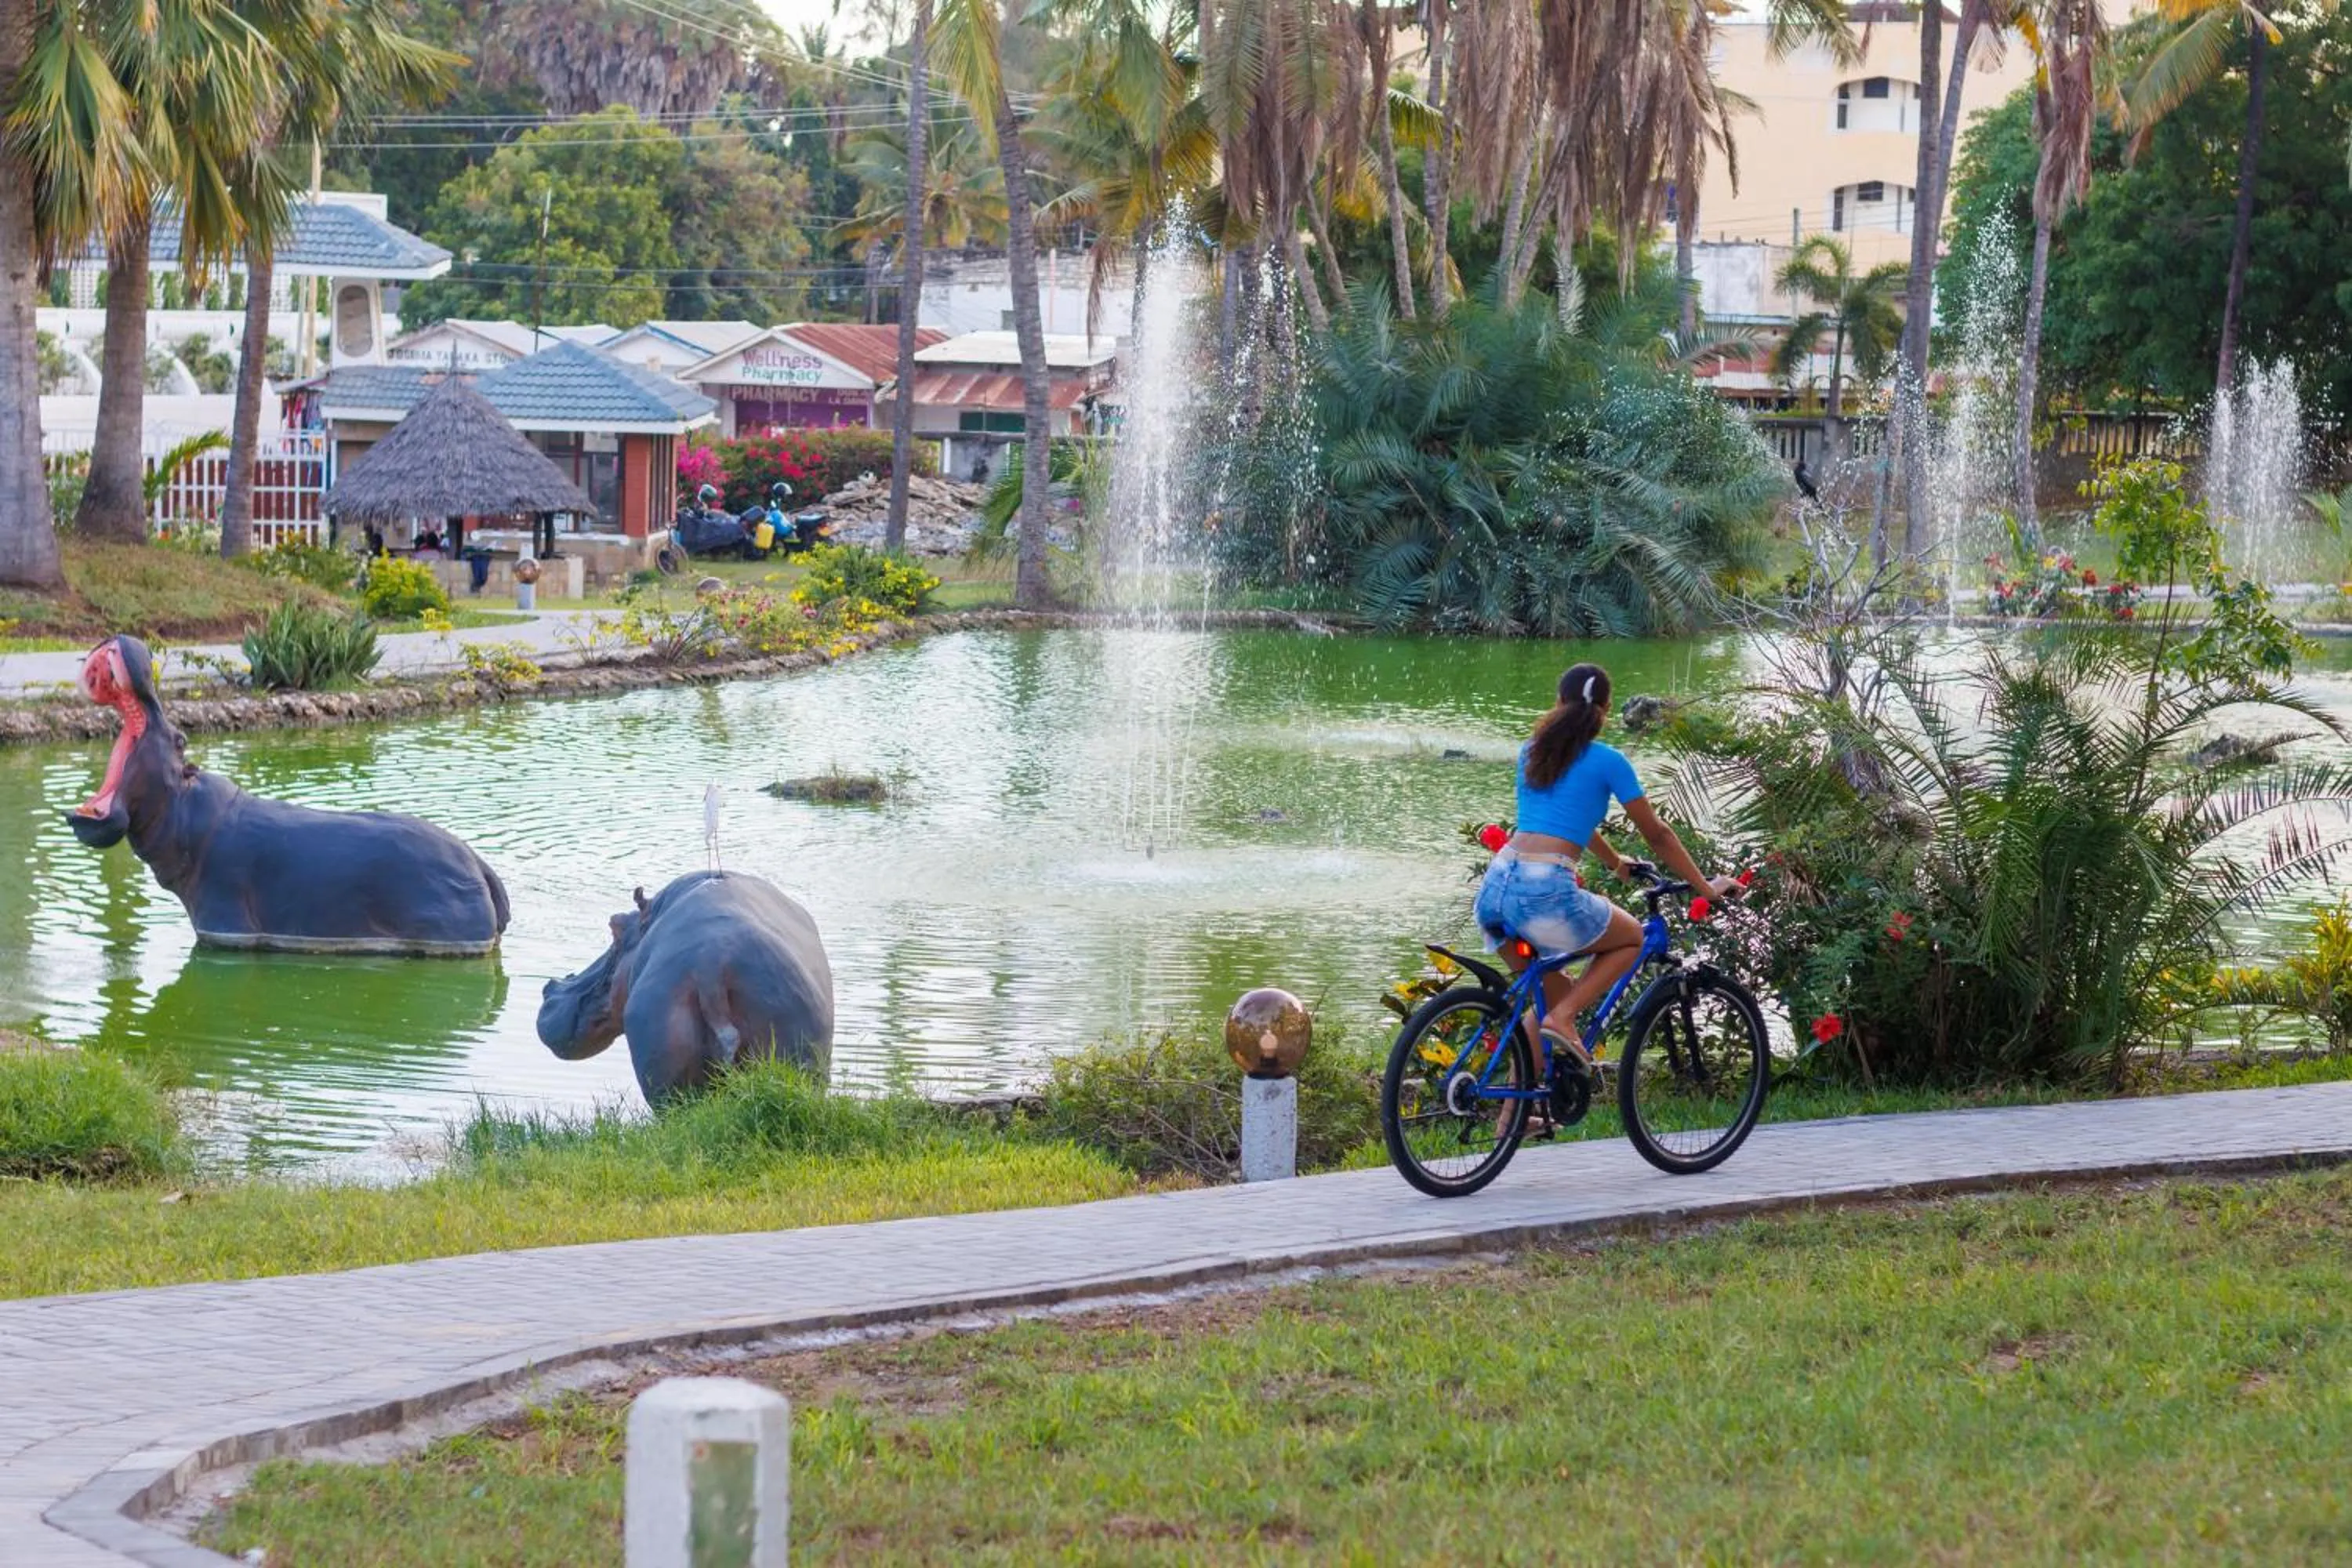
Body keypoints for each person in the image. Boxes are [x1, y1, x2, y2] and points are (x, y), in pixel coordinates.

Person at [1475, 661, 1742, 1075]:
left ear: (1559, 702)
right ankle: (1564, 1019)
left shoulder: (1534, 751)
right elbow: (1658, 835)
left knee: (1551, 998)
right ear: (1605, 710)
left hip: (1496, 886)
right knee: (1632, 937)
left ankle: (1516, 1106)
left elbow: (1566, 822)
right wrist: (1706, 888)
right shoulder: (1609, 761)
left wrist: (1616, 863)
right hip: (1543, 889)